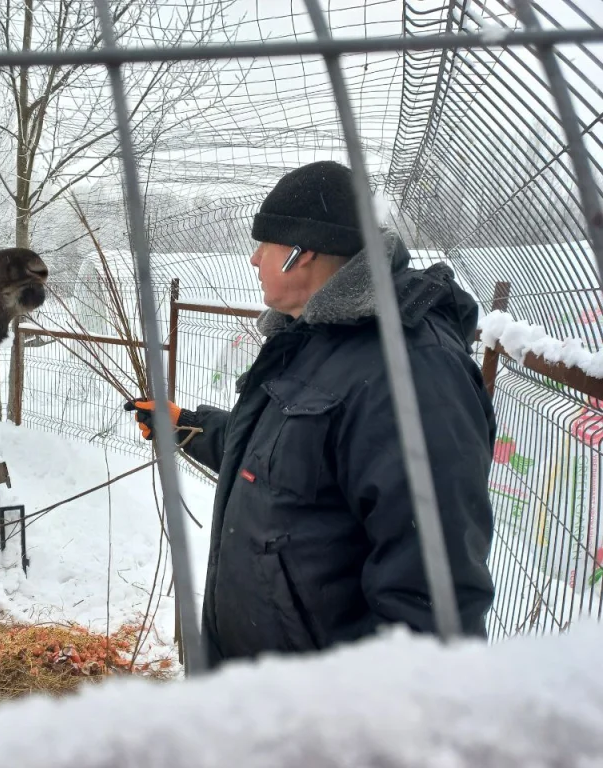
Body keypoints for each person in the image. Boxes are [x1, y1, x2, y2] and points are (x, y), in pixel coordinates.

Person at [125, 160, 496, 668]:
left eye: (266, 244)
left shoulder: (411, 371)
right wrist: (187, 425)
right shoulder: (316, 338)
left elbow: (431, 604)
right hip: (257, 692)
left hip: (313, 716)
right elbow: (286, 461)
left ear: (304, 250)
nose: (254, 259)